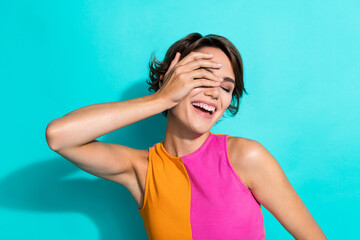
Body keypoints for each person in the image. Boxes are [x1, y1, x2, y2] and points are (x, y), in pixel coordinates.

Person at [45, 32, 327, 240]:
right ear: (170, 79)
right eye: (201, 77)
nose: (214, 93)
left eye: (226, 87)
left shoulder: (245, 157)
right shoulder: (143, 170)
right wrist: (162, 98)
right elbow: (59, 136)